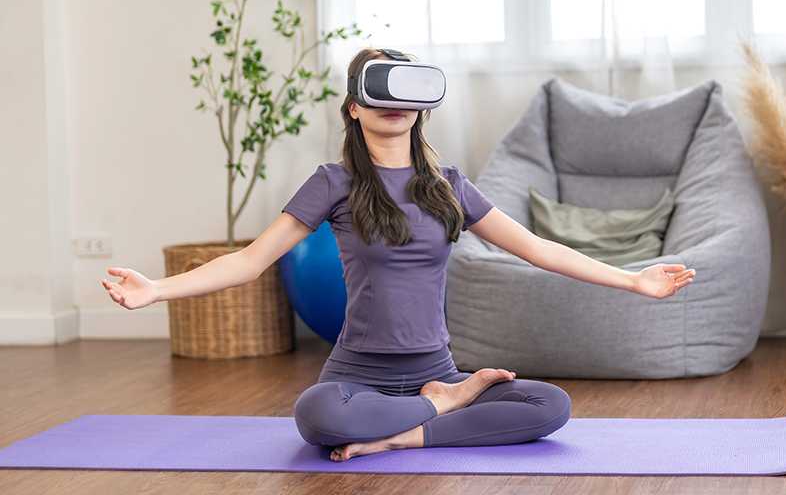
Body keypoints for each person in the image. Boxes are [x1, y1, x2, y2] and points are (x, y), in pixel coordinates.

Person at [99, 48, 696, 462]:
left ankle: (407, 431)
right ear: (354, 108)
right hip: (358, 374)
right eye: (377, 89)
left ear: (422, 106)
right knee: (317, 419)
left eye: (405, 89)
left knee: (548, 405)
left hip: (435, 367)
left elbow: (537, 249)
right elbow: (249, 261)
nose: (394, 101)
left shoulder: (450, 187)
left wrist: (633, 281)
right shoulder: (332, 183)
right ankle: (436, 410)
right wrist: (156, 289)